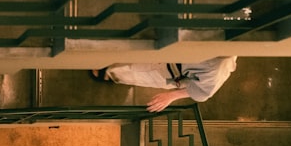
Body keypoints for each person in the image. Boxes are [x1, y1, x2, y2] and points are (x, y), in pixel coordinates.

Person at [91, 57, 237, 113]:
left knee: (134, 72)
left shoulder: (217, 67)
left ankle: (110, 73)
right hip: (171, 54)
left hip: (171, 72)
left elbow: (203, 93)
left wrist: (171, 96)